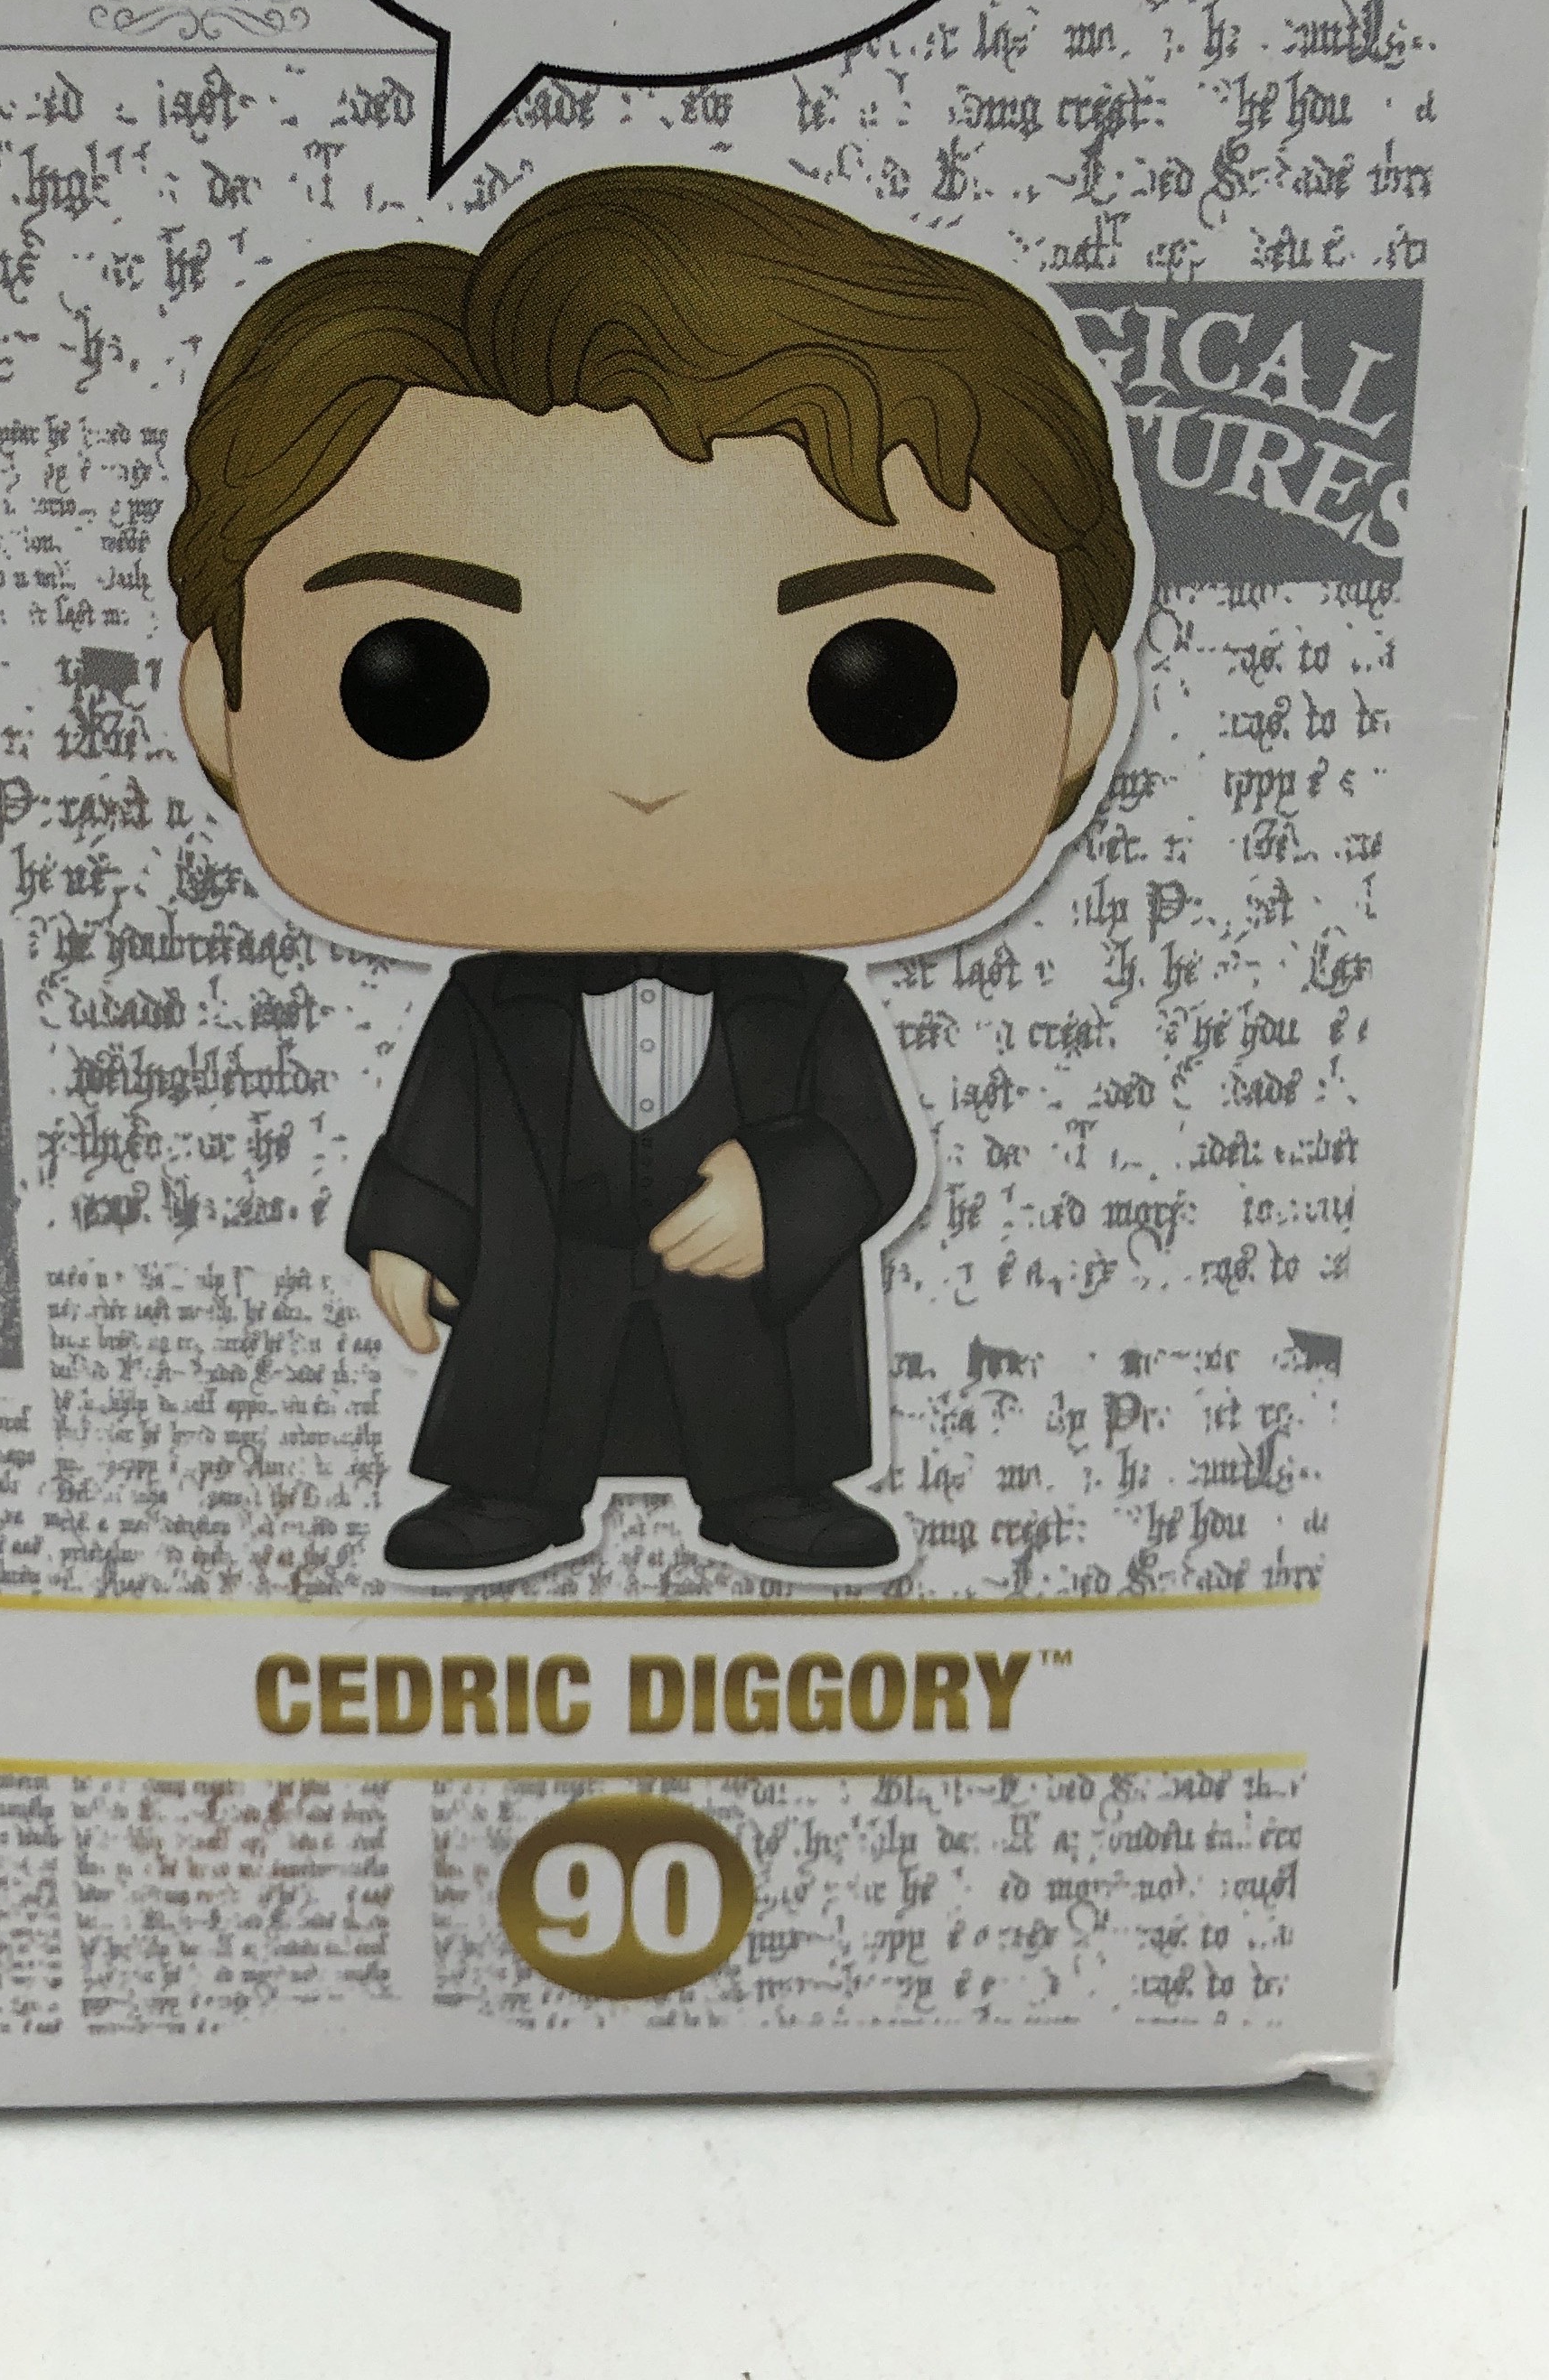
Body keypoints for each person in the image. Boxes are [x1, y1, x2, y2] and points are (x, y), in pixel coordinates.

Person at [169, 164, 1140, 1575]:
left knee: (760, 1408)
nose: (643, 778)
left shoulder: (805, 1012)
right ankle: (510, 1497)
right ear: (221, 705)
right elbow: (435, 1132)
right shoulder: (487, 1011)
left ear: (1078, 711)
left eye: (879, 680)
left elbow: (872, 1146)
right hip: (541, 1291)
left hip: (746, 1306)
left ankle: (775, 1496)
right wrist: (407, 1235)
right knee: (524, 1400)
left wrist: (782, 1194)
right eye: (416, 676)